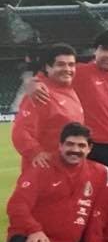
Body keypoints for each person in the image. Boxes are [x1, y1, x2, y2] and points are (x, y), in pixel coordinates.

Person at [12, 43, 84, 171]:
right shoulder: (40, 93)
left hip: (68, 169)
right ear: (47, 67)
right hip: (46, 172)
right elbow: (21, 131)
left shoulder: (69, 89)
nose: (67, 69)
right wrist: (36, 153)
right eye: (60, 64)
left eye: (71, 65)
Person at [68, 31, 108, 167]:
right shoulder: (80, 72)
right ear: (95, 50)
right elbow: (51, 75)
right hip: (92, 148)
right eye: (104, 49)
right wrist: (35, 82)